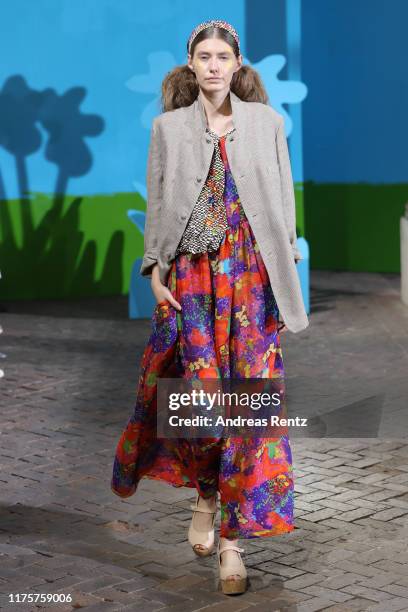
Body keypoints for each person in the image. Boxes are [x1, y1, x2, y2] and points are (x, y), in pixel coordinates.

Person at [111, 19, 309, 596]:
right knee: (200, 400)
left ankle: (231, 544)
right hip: (193, 279)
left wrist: (286, 254)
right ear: (191, 64)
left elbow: (283, 191)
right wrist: (154, 271)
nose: (216, 64)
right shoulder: (167, 128)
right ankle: (203, 496)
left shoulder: (267, 123)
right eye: (205, 55)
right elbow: (157, 203)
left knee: (249, 410)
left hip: (250, 280)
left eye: (225, 55)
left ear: (238, 63)